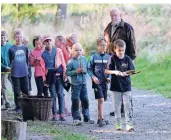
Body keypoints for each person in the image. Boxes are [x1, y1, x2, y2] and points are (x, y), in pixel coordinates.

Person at [104, 8, 136, 116]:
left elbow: (132, 44)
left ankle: (128, 108)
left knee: (125, 83)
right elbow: (107, 43)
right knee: (115, 84)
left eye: (115, 15)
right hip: (113, 59)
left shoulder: (127, 27)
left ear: (120, 15)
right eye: (112, 15)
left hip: (124, 59)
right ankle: (118, 108)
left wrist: (132, 59)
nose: (113, 17)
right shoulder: (108, 27)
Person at [105, 39, 135, 132]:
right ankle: (118, 123)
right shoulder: (112, 58)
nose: (121, 52)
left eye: (122, 50)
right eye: (119, 50)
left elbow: (132, 70)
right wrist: (115, 72)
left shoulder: (128, 59)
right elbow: (106, 71)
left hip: (126, 86)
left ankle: (129, 124)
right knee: (116, 107)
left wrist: (127, 73)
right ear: (115, 49)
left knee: (127, 105)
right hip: (115, 87)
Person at [66, 43, 94, 126]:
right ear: (72, 51)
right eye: (76, 50)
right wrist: (76, 71)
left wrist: (84, 71)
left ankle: (86, 117)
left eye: (80, 50)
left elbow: (87, 69)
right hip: (75, 85)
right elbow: (67, 73)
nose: (78, 52)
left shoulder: (84, 59)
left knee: (85, 100)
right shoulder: (70, 62)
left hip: (84, 83)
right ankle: (76, 118)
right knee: (75, 100)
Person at [42, 35, 66, 121]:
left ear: (52, 41)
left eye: (49, 40)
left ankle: (62, 112)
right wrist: (45, 79)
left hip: (59, 73)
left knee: (60, 93)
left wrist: (65, 74)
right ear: (44, 43)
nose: (48, 42)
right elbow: (43, 67)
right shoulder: (43, 54)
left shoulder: (58, 51)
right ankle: (54, 113)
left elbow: (63, 63)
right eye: (46, 41)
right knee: (53, 94)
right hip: (50, 75)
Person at [88, 37, 111, 127]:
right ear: (97, 46)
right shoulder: (93, 57)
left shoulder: (108, 57)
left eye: (105, 45)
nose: (103, 47)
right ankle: (101, 119)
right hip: (97, 82)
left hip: (105, 82)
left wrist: (109, 77)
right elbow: (89, 69)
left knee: (102, 100)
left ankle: (100, 118)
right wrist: (93, 77)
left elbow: (110, 69)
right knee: (101, 99)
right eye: (101, 45)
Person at [8, 29, 29, 113]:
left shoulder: (25, 48)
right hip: (15, 73)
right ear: (14, 38)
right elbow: (10, 60)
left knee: (25, 90)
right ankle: (18, 107)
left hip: (24, 72)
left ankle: (26, 106)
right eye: (17, 37)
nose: (19, 38)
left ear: (22, 38)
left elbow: (27, 60)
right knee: (16, 91)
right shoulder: (11, 49)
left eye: (20, 37)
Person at [55, 35, 71, 116]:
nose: (55, 43)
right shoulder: (59, 50)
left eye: (56, 41)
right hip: (62, 73)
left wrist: (65, 74)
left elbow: (66, 62)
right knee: (62, 91)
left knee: (62, 91)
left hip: (63, 73)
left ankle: (65, 108)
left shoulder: (62, 50)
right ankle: (64, 108)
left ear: (61, 42)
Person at [1, 30, 12, 109]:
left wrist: (11, 66)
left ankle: (19, 101)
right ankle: (7, 101)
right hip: (3, 70)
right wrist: (5, 67)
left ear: (7, 38)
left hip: (11, 69)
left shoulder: (10, 46)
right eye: (1, 37)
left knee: (15, 84)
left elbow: (13, 57)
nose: (2, 39)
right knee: (4, 86)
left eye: (4, 37)